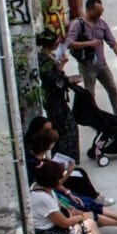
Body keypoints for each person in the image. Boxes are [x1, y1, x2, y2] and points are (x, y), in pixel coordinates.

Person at [66, 0, 117, 115]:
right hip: (87, 66)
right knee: (90, 93)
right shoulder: (78, 24)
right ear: (89, 10)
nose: (101, 14)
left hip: (101, 64)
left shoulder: (102, 24)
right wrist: (89, 43)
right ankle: (94, 116)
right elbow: (69, 43)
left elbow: (113, 43)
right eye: (98, 11)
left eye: (102, 11)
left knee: (112, 88)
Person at [36, 29, 80, 163]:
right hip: (54, 102)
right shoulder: (45, 61)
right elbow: (56, 82)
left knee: (68, 128)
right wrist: (63, 64)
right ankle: (65, 160)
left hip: (57, 100)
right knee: (66, 130)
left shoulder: (47, 56)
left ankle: (67, 160)